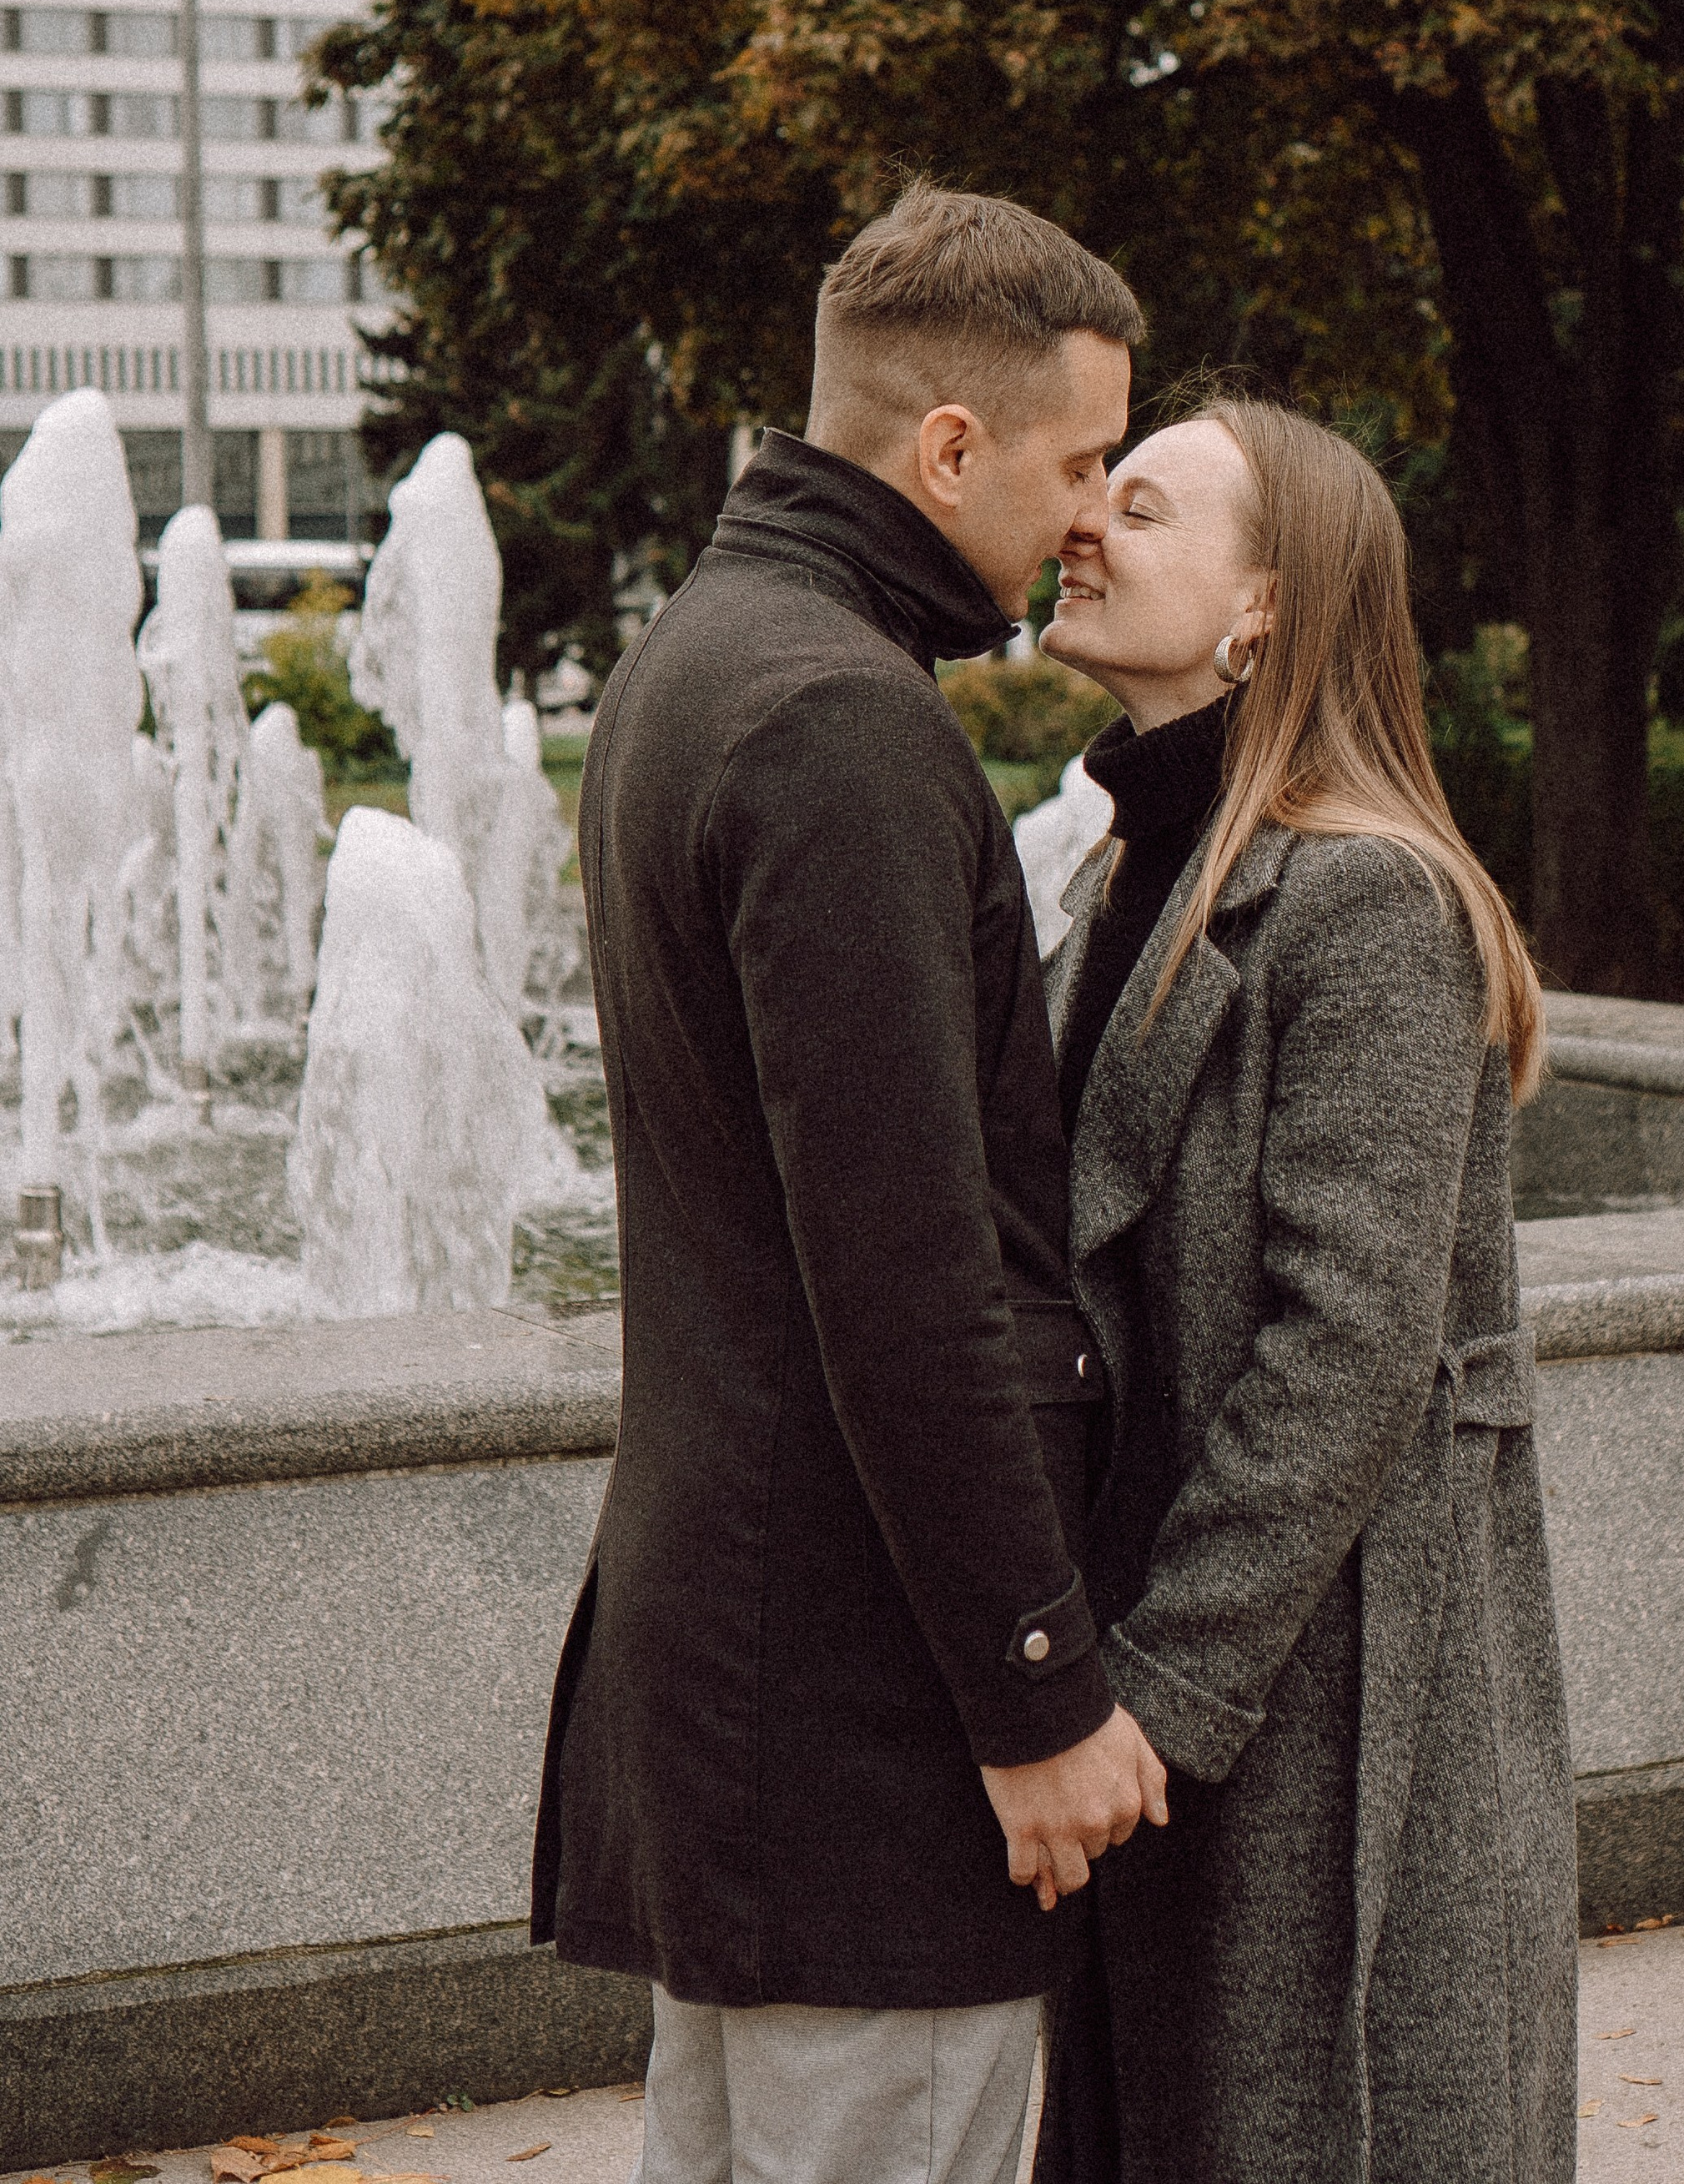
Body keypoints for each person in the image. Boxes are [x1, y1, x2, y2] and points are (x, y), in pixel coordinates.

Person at [532, 184, 1170, 2184]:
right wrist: (1038, 1693)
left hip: (743, 1672)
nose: (1094, 516)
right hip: (857, 1715)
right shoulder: (842, 725)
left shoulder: (696, 664)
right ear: (947, 446)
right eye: (1079, 464)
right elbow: (912, 1285)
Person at [1034, 395, 1578, 2184]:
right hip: (1164, 1651)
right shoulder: (1131, 870)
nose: (1082, 527)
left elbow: (1347, 1355)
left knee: (1317, 2122)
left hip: (1317, 1681)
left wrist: (1151, 1708)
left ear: (1261, 606)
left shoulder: (1359, 902)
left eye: (1139, 502)